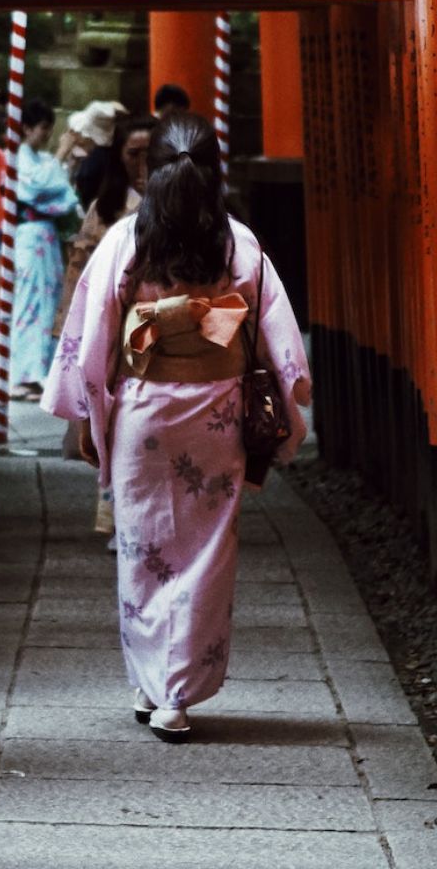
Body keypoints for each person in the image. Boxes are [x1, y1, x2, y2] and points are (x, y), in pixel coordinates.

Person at [43, 112, 312, 742]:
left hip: (145, 407)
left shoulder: (126, 241)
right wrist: (291, 394)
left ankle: (149, 682)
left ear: (151, 168)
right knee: (207, 552)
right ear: (214, 171)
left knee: (142, 550)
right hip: (215, 409)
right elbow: (280, 342)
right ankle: (176, 694)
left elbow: (93, 339)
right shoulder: (239, 243)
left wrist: (89, 411)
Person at [52, 116, 155, 533]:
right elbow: (81, 273)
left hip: (164, 328)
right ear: (118, 157)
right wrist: (69, 329)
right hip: (115, 330)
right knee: (117, 425)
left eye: (151, 154)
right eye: (133, 154)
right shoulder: (107, 208)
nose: (142, 163)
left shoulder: (179, 203)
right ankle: (119, 515)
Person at [8, 101, 79, 400]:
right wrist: (61, 156)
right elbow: (36, 188)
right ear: (26, 128)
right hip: (30, 234)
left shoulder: (37, 158)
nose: (47, 136)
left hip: (45, 235)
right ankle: (24, 375)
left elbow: (63, 193)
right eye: (43, 129)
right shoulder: (21, 158)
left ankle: (39, 374)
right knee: (30, 303)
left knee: (48, 304)